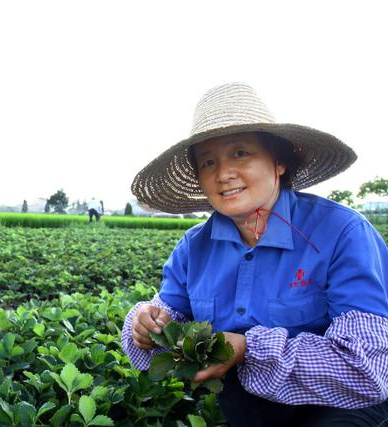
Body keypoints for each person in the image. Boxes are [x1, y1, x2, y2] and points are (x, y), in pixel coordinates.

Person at [122, 82, 388, 427]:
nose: (223, 173)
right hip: (249, 409)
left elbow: (367, 369)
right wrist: (147, 323)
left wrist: (249, 347)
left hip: (341, 409)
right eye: (207, 162)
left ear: (278, 162)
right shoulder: (193, 248)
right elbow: (167, 314)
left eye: (240, 153)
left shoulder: (342, 233)